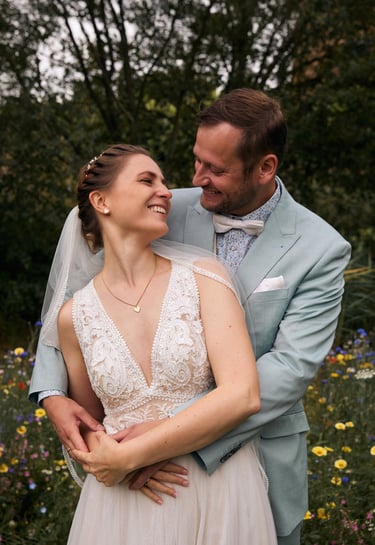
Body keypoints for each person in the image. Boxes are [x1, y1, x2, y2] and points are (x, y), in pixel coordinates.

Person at [29, 89, 351, 545]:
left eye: (216, 169)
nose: (197, 178)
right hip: (135, 477)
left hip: (248, 458)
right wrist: (50, 392)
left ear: (265, 168)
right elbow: (78, 290)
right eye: (196, 160)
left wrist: (166, 435)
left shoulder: (322, 249)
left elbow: (290, 368)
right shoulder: (164, 206)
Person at [48, 143, 277, 544]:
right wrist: (107, 457)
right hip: (126, 501)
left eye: (165, 181)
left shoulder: (204, 277)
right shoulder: (73, 317)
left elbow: (242, 394)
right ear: (101, 201)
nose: (167, 192)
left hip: (216, 486)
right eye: (146, 180)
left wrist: (134, 453)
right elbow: (88, 425)